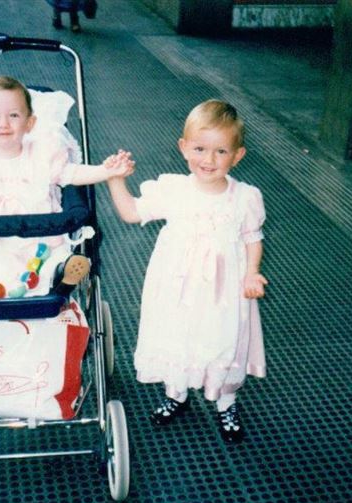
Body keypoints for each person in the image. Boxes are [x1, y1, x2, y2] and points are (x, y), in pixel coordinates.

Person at [104, 99, 267, 443]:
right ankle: (176, 393)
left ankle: (227, 401)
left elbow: (253, 237)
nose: (208, 160)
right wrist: (116, 180)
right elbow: (132, 212)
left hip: (224, 291)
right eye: (200, 149)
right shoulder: (174, 190)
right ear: (183, 147)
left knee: (223, 339)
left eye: (221, 151)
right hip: (176, 287)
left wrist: (252, 272)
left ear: (238, 155)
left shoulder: (245, 197)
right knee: (175, 333)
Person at [0, 75, 134, 299]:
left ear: (30, 123)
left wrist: (106, 171)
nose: (3, 123)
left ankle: (62, 274)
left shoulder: (44, 154)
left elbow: (71, 173)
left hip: (35, 236)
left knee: (51, 256)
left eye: (14, 115)